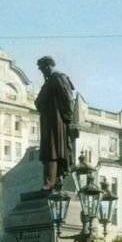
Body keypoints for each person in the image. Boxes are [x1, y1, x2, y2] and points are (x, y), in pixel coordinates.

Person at [34, 55, 78, 191]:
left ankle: (51, 181)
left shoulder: (58, 78)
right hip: (49, 120)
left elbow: (68, 99)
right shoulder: (50, 81)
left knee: (52, 150)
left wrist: (68, 120)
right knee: (49, 150)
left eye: (42, 69)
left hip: (56, 121)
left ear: (49, 66)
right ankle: (53, 180)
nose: (42, 72)